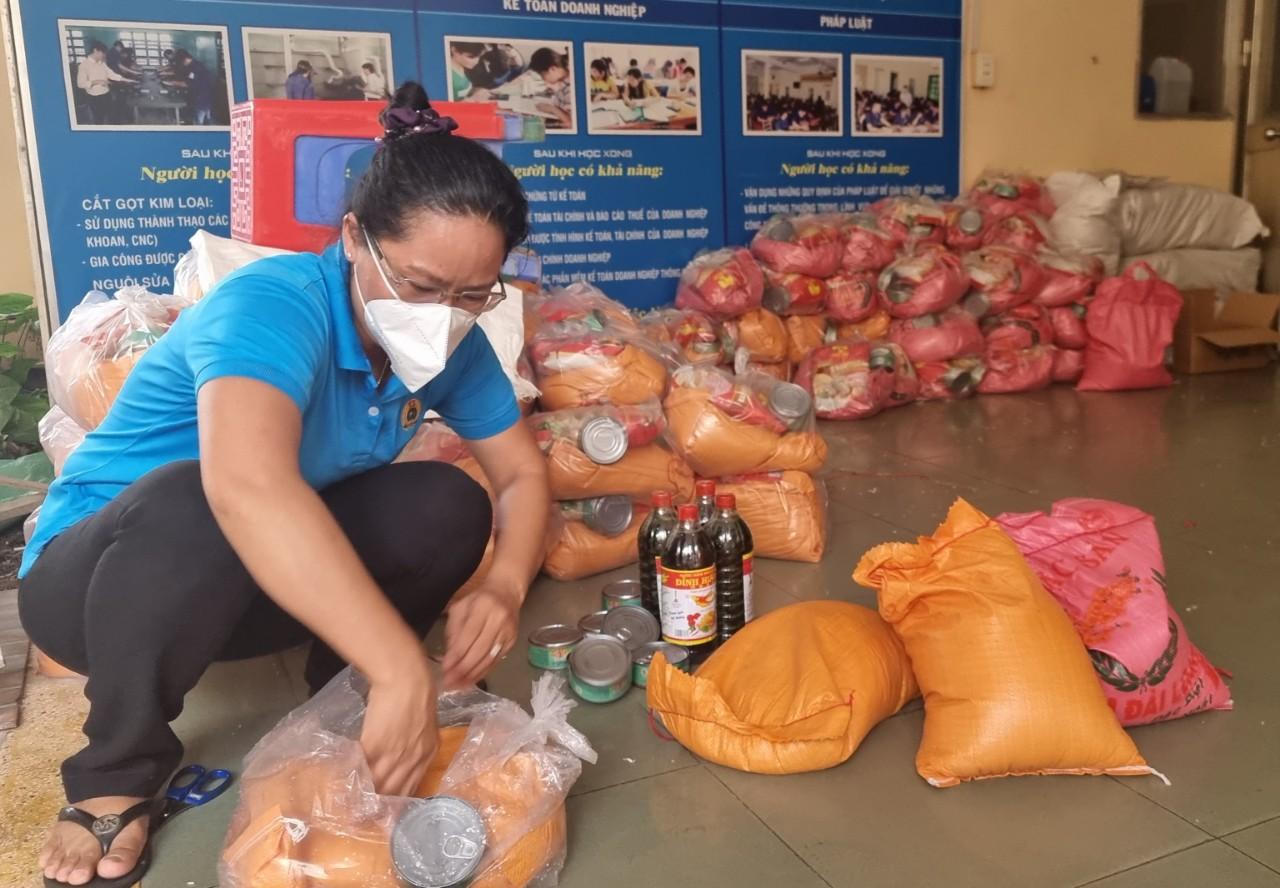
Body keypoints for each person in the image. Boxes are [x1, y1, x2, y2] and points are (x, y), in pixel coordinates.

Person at [24, 80, 549, 888]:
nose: (443, 316)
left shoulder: (450, 344)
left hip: (242, 586)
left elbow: (518, 471)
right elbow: (246, 489)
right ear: (352, 238)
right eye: (417, 285)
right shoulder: (272, 307)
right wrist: (399, 665)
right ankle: (115, 771)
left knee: (448, 502)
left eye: (472, 295)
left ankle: (336, 698)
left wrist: (507, 587)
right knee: (198, 491)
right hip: (97, 586)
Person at [75, 42, 136, 126]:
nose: (103, 56)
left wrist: (126, 80)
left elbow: (111, 74)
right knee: (99, 119)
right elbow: (80, 84)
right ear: (95, 51)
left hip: (106, 95)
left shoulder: (102, 63)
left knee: (113, 117)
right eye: (102, 53)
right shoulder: (83, 65)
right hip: (94, 98)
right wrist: (96, 82)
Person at [525, 48, 572, 127]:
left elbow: (572, 125)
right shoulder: (563, 80)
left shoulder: (571, 86)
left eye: (543, 76)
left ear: (552, 69)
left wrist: (552, 109)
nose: (544, 80)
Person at [170, 49, 215, 125]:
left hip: (201, 98)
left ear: (184, 59)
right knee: (206, 119)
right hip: (203, 96)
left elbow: (188, 83)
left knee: (199, 121)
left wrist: (173, 83)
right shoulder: (194, 64)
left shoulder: (195, 67)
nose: (181, 64)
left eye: (180, 62)